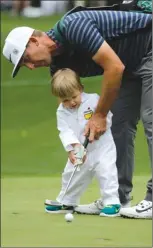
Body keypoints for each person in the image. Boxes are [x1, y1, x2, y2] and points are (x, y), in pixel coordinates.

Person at [2, 6, 152, 219]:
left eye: (26, 59)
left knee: (151, 120)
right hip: (130, 63)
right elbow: (72, 109)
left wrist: (99, 115)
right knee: (118, 125)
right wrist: (75, 145)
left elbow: (114, 68)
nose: (31, 67)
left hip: (149, 46)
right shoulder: (58, 67)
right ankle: (117, 198)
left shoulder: (73, 27)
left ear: (34, 41)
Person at [45, 68, 121, 217]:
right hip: (80, 147)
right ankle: (67, 201)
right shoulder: (61, 111)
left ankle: (112, 201)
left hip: (102, 147)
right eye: (65, 100)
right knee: (71, 173)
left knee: (106, 172)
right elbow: (65, 131)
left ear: (81, 89)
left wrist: (99, 128)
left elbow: (107, 117)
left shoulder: (94, 100)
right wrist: (73, 147)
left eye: (74, 96)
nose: (71, 102)